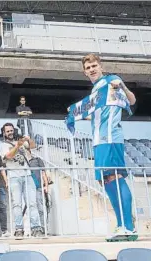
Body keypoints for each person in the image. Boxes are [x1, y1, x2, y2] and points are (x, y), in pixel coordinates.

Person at [80, 53, 136, 239]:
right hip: (98, 140)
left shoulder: (112, 79)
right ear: (84, 72)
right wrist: (75, 115)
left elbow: (132, 100)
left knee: (115, 176)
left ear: (100, 66)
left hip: (111, 138)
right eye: (88, 68)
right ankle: (121, 225)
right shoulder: (95, 91)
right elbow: (97, 115)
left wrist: (122, 87)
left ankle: (128, 226)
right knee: (104, 180)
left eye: (94, 65)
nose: (92, 69)